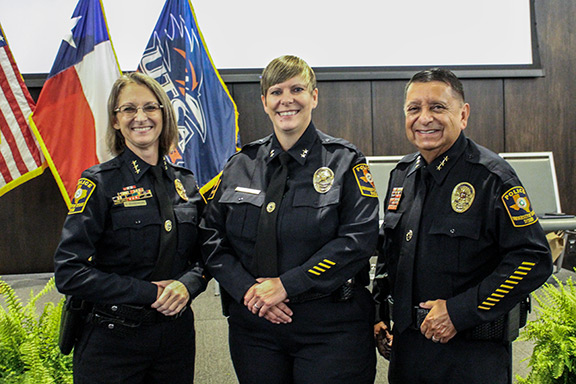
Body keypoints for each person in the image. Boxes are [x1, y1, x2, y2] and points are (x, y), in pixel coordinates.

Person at [200, 55, 379, 384]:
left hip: (331, 330)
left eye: (297, 89)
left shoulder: (345, 161)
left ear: (314, 96)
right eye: (276, 91)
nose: (286, 100)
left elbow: (358, 240)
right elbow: (211, 240)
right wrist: (249, 293)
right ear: (264, 101)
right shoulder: (240, 165)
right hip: (255, 331)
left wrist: (286, 286)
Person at [372, 67, 553, 383]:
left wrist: (460, 311)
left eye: (437, 107)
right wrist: (379, 313)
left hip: (470, 355)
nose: (424, 118)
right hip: (408, 354)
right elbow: (390, 255)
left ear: (463, 114)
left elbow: (533, 259)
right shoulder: (402, 175)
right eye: (414, 109)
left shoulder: (491, 178)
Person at [53, 72, 207, 384]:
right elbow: (69, 272)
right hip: (112, 341)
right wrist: (148, 293)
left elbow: (208, 254)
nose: (141, 117)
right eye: (129, 109)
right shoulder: (99, 183)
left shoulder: (185, 183)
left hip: (174, 339)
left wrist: (187, 285)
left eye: (151, 107)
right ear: (115, 120)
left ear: (164, 114)